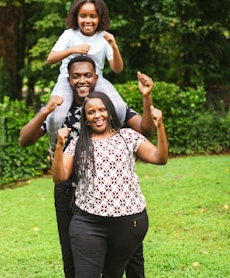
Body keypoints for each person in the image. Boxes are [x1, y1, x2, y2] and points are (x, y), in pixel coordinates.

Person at [19, 55, 155, 278]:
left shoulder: (108, 106)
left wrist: (146, 98)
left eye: (87, 75)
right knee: (72, 257)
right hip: (68, 190)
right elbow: (24, 140)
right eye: (76, 76)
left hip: (111, 192)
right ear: (68, 79)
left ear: (96, 77)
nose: (82, 80)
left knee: (132, 257)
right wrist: (45, 110)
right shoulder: (59, 110)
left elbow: (145, 131)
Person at [52, 91, 168, 277]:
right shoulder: (78, 143)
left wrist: (160, 127)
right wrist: (59, 146)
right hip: (88, 222)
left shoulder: (128, 136)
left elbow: (159, 158)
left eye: (102, 110)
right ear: (86, 117)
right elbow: (59, 177)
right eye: (91, 112)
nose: (97, 115)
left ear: (110, 112)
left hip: (128, 222)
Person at [46, 0, 126, 151]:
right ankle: (53, 149)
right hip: (68, 79)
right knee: (55, 117)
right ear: (76, 17)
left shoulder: (104, 37)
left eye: (93, 16)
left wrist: (114, 46)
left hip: (96, 79)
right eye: (83, 16)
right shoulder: (69, 34)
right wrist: (72, 50)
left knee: (120, 109)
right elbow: (51, 58)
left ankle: (115, 144)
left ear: (100, 18)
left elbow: (117, 69)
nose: (88, 20)